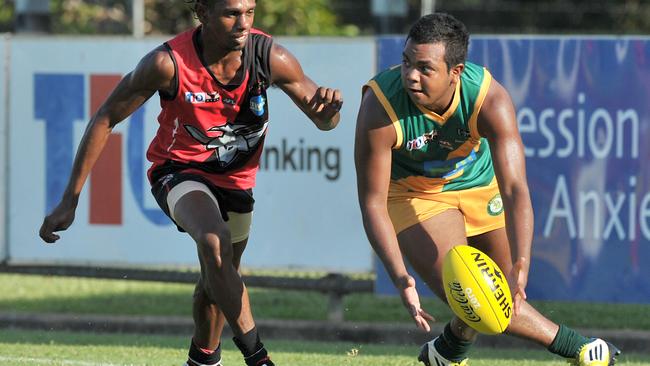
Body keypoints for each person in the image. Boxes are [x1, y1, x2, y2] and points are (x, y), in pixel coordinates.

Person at [39, 1, 343, 365]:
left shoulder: (270, 56)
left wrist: (329, 114)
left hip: (237, 182)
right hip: (178, 171)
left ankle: (201, 359)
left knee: (218, 279)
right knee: (215, 242)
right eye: (232, 13)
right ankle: (258, 357)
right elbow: (106, 117)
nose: (243, 23)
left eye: (250, 11)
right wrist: (70, 198)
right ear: (203, 12)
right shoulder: (167, 63)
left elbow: (325, 121)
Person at [354, 13, 620, 366]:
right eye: (405, 63)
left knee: (497, 296)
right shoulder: (380, 106)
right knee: (479, 299)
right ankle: (579, 348)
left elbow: (514, 188)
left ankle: (447, 351)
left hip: (478, 183)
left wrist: (522, 261)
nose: (410, 76)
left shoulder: (488, 98)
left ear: (456, 71)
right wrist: (400, 277)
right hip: (414, 195)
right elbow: (372, 203)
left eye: (424, 68)